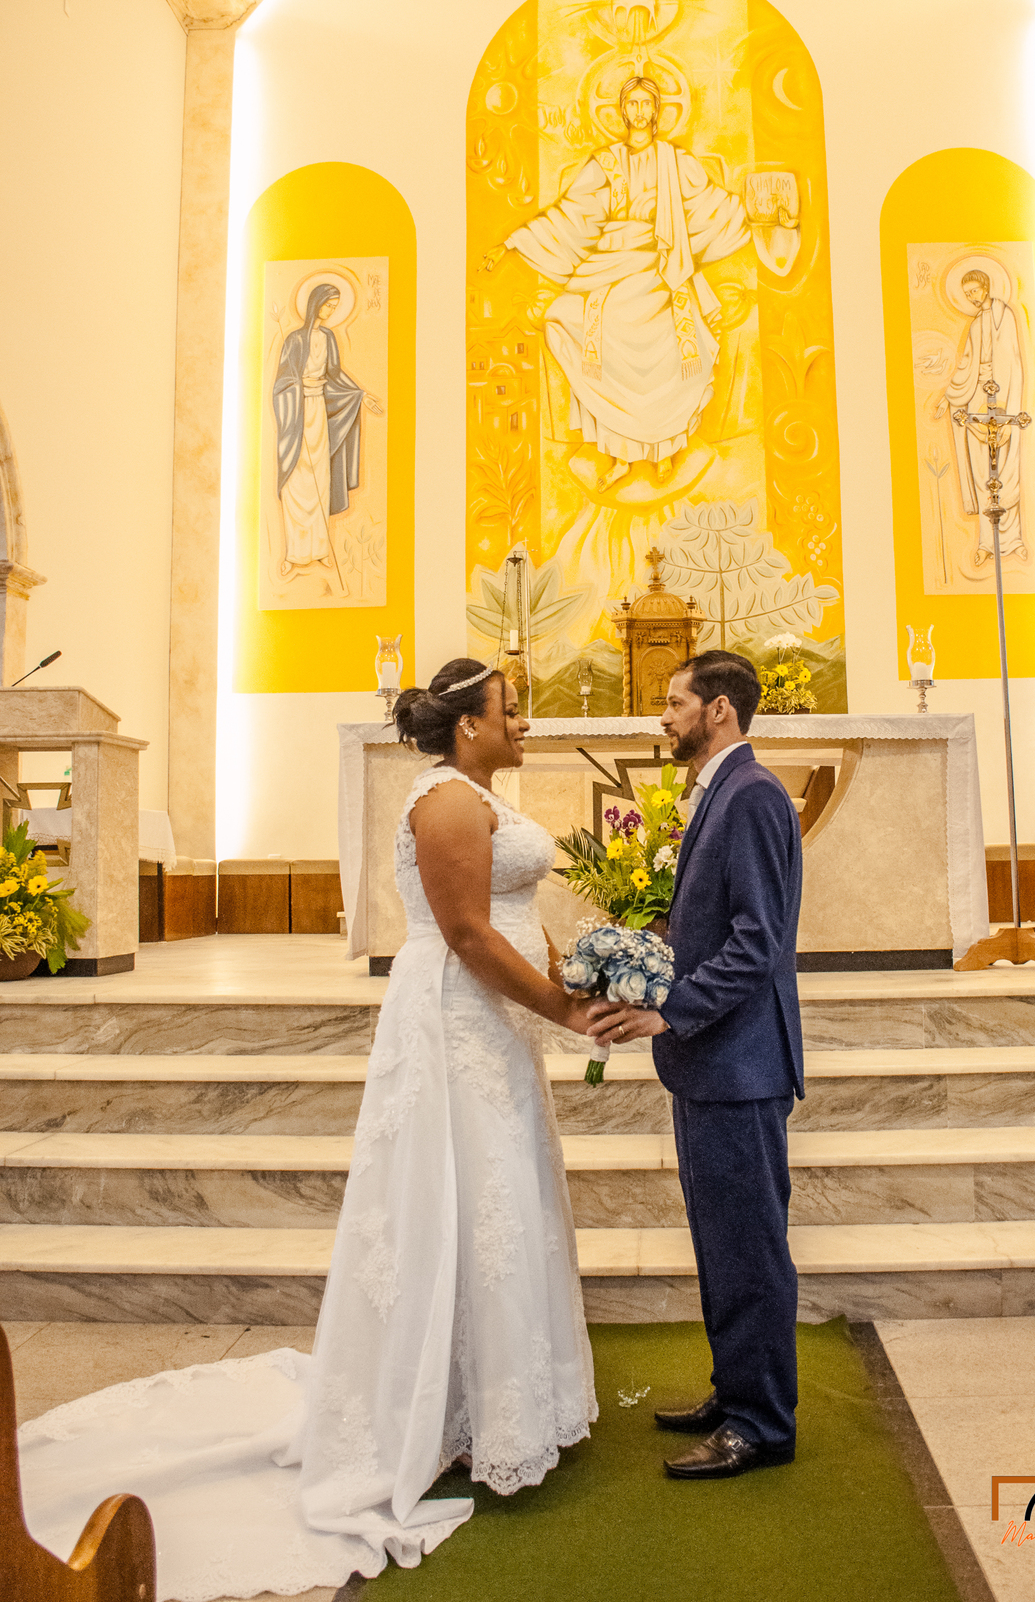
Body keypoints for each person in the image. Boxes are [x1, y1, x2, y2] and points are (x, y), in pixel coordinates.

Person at [17, 660, 599, 1599]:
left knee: (493, 1196)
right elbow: (467, 933)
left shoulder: (476, 791)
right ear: (466, 729)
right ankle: (438, 1409)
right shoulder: (446, 801)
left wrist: (579, 975)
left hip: (492, 1029)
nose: (522, 722)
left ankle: (491, 1401)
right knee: (455, 1193)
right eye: (510, 711)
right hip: (457, 1021)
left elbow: (514, 915)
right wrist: (562, 1011)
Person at [587, 650, 804, 1478]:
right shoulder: (720, 792)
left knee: (750, 1248)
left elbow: (758, 942)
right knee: (722, 1240)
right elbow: (711, 926)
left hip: (740, 1063)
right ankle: (736, 1387)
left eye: (675, 703)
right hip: (711, 1061)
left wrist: (664, 1009)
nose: (665, 717)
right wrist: (642, 959)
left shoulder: (749, 796)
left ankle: (762, 1422)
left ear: (718, 710)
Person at [481, 76, 748, 491]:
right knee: (585, 328)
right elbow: (570, 215)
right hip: (610, 266)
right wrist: (512, 244)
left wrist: (758, 212)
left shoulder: (676, 163)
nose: (640, 111)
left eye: (647, 104)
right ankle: (622, 456)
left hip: (660, 267)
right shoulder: (603, 164)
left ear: (658, 110)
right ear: (622, 111)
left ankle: (664, 451)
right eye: (633, 104)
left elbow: (713, 204)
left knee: (673, 348)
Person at [272, 282, 382, 576]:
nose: (331, 311)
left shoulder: (329, 338)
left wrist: (361, 395)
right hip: (297, 415)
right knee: (297, 482)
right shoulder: (295, 340)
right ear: (315, 303)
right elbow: (282, 382)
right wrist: (298, 391)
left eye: (335, 307)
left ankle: (319, 550)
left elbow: (334, 374)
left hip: (319, 411)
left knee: (319, 478)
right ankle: (294, 554)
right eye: (328, 305)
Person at [938, 268, 1027, 563]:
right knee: (982, 472)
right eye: (967, 295)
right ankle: (986, 543)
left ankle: (1013, 539)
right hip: (978, 398)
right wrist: (948, 398)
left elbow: (1013, 360)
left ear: (986, 286)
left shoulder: (1006, 316)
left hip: (1003, 398)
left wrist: (1008, 403)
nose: (972, 298)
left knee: (1005, 470)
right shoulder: (976, 326)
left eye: (975, 291)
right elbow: (965, 365)